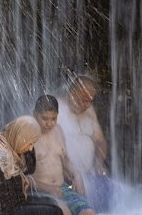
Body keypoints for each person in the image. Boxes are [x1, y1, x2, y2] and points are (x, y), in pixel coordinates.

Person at [0, 115, 62, 215]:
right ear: (21, 138)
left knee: (50, 201)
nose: (31, 149)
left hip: (11, 203)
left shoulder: (11, 141)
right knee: (55, 212)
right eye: (30, 143)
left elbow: (30, 169)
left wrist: (26, 145)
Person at [31, 95, 95, 215]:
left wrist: (77, 175)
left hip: (62, 188)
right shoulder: (28, 136)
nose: (49, 123)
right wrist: (48, 188)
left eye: (53, 119)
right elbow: (21, 176)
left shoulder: (58, 130)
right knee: (63, 211)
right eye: (45, 118)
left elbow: (65, 159)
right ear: (35, 114)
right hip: (39, 191)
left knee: (88, 212)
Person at [57, 75, 113, 213]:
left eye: (90, 100)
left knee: (114, 196)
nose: (87, 105)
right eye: (83, 100)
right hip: (66, 181)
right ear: (71, 93)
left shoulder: (89, 110)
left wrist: (99, 163)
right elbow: (47, 150)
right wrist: (70, 173)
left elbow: (100, 141)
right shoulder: (55, 111)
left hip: (90, 176)